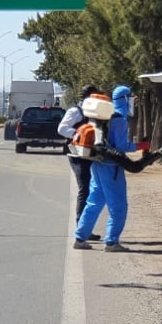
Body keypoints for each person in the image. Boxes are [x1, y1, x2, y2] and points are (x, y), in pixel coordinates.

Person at [72, 85, 149, 252]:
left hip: (97, 164)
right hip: (111, 167)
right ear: (125, 99)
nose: (133, 101)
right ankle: (112, 242)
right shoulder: (119, 118)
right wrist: (141, 145)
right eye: (131, 98)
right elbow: (121, 146)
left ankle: (80, 237)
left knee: (94, 202)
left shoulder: (104, 115)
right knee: (118, 205)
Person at [58, 84, 102, 243]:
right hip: (77, 154)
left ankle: (86, 227)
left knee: (92, 188)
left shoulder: (93, 112)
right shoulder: (76, 111)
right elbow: (62, 128)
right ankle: (81, 228)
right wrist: (79, 134)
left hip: (91, 153)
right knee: (85, 187)